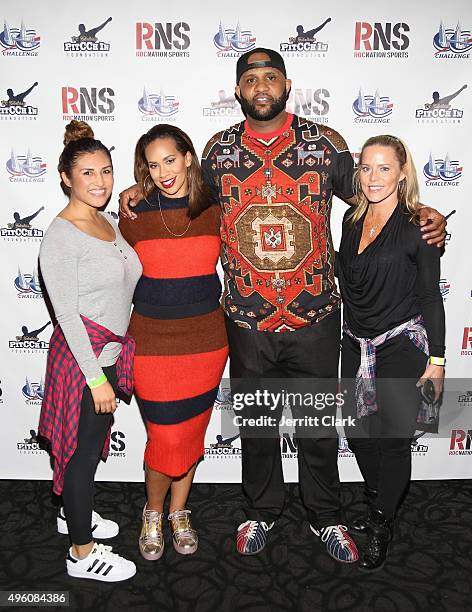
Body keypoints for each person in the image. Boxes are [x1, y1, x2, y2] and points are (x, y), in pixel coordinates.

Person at [119, 48, 446, 562]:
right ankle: (261, 510)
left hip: (315, 317)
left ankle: (325, 515)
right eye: (251, 79)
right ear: (238, 91)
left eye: (271, 77)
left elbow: (375, 192)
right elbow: (178, 191)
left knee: (318, 427)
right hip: (247, 320)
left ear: (288, 85)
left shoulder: (325, 144)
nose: (262, 86)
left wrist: (424, 212)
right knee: (258, 426)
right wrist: (134, 193)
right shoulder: (218, 152)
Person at [39, 120, 142, 582]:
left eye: (106, 171)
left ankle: (71, 516)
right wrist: (97, 378)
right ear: (66, 178)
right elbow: (66, 314)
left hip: (107, 354)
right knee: (81, 457)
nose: (100, 181)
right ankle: (81, 553)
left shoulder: (106, 221)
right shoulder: (62, 235)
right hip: (84, 361)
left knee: (86, 447)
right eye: (88, 174)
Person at [119, 125, 228, 561]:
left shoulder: (217, 209)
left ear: (188, 158)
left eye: (170, 159)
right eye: (152, 163)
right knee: (164, 436)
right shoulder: (133, 213)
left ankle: (179, 512)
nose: (162, 171)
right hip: (151, 342)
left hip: (205, 342)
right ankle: (152, 511)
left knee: (191, 434)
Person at [337, 135, 445, 570]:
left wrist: (437, 360)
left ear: (403, 172)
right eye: (366, 168)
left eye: (384, 168)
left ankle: (382, 521)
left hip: (402, 345)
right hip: (355, 344)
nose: (374, 177)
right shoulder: (349, 219)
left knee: (394, 439)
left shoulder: (420, 224)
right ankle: (377, 499)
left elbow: (431, 296)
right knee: (357, 433)